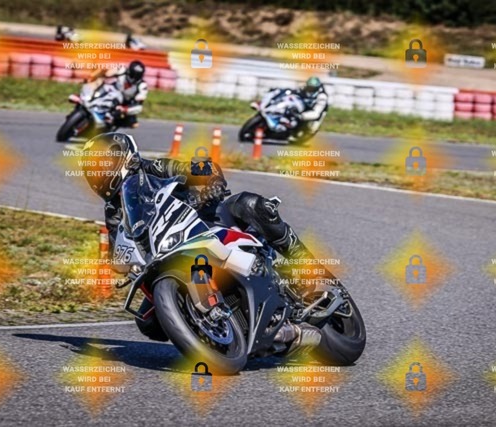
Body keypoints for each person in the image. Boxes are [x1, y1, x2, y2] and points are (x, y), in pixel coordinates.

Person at [81, 132, 322, 355]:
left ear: (122, 156)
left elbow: (202, 168)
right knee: (148, 322)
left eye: (101, 165)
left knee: (250, 205)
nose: (98, 174)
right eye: (92, 170)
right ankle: (220, 334)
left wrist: (212, 183)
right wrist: (122, 263)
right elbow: (117, 252)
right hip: (166, 252)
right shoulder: (113, 212)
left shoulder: (154, 168)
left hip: (205, 219)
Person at [88, 61, 148, 129]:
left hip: (124, 103)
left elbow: (139, 103)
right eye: (133, 75)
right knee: (99, 82)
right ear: (129, 71)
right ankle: (89, 98)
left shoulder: (142, 85)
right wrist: (97, 75)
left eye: (137, 76)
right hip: (112, 91)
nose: (134, 78)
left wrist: (124, 109)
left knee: (134, 124)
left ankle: (110, 124)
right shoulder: (122, 70)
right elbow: (107, 73)